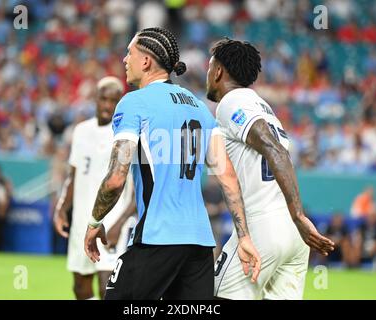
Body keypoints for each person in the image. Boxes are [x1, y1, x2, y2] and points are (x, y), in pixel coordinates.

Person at [84, 27, 261, 300]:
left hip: (157, 237)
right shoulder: (200, 107)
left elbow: (116, 178)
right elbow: (227, 177)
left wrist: (95, 220)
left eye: (129, 53)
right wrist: (244, 236)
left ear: (146, 61)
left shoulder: (133, 103)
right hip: (200, 244)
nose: (124, 60)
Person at [206, 38, 335, 300]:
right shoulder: (263, 106)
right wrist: (296, 218)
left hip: (263, 226)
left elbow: (273, 148)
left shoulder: (232, 102)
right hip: (292, 235)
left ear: (218, 71)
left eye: (210, 67)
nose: (208, 74)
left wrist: (299, 215)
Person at [54, 77, 136, 300]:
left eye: (113, 100)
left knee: (106, 287)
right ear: (95, 99)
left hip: (112, 225)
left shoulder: (127, 132)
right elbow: (73, 175)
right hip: (82, 221)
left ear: (121, 102)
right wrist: (62, 208)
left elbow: (138, 187)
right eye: (103, 99)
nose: (107, 105)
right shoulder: (81, 131)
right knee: (80, 288)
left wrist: (121, 223)